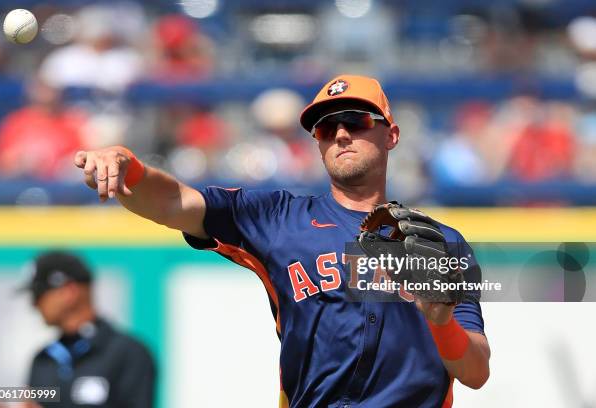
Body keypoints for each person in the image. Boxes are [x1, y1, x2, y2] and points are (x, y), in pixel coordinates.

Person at [74, 74, 490, 407]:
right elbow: (174, 202)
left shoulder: (440, 243)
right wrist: (129, 168)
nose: (341, 134)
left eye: (357, 121)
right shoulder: (279, 218)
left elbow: (476, 372)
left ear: (391, 135)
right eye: (327, 127)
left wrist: (442, 322)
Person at [19, 250, 156, 408]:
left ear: (69, 291)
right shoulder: (43, 360)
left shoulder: (129, 354)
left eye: (39, 294)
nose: (34, 304)